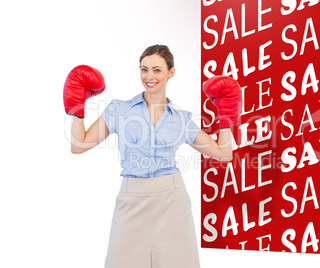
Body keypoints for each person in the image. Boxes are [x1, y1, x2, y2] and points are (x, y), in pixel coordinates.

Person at [63, 44, 242, 268]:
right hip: (131, 199)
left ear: (171, 73)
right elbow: (78, 145)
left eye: (157, 70)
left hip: (172, 202)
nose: (149, 76)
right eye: (144, 69)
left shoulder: (181, 119)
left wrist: (226, 118)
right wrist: (76, 108)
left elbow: (223, 154)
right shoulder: (119, 109)